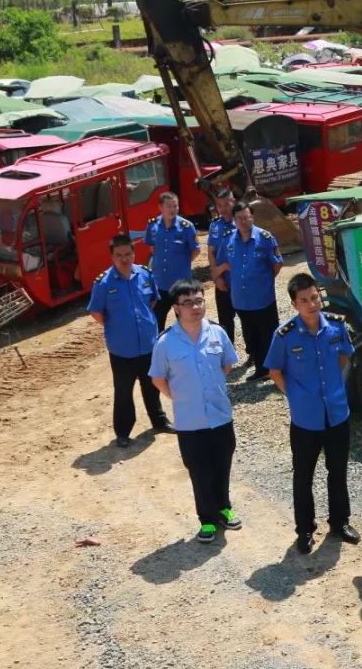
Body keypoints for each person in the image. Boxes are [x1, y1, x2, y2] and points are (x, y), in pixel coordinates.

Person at [265, 273, 359, 554]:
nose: (311, 304)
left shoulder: (337, 327)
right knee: (303, 475)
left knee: (338, 471)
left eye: (315, 297)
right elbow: (274, 371)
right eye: (304, 300)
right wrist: (294, 395)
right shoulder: (284, 335)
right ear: (294, 303)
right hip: (305, 419)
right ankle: (304, 529)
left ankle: (340, 522)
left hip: (337, 414)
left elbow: (343, 357)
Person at [149, 279, 240, 544]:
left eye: (198, 300)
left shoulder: (217, 333)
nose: (195, 307)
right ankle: (207, 519)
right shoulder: (165, 343)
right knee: (199, 471)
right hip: (190, 421)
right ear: (176, 308)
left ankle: (224, 507)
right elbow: (158, 379)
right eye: (187, 303)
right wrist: (181, 397)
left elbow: (226, 365)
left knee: (222, 465)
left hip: (221, 415)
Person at [87, 233, 173, 448]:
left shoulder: (145, 274)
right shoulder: (104, 283)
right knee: (124, 391)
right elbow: (97, 313)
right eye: (119, 255)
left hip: (148, 344)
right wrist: (119, 329)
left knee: (153, 384)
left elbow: (152, 301)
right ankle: (123, 432)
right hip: (121, 349)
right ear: (112, 257)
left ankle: (159, 421)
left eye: (128, 254)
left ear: (134, 253)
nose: (124, 259)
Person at [215, 202, 282, 382]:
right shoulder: (228, 240)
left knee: (269, 334)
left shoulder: (265, 238)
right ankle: (261, 370)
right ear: (234, 220)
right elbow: (221, 262)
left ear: (252, 217)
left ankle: (276, 372)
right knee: (251, 336)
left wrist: (263, 281)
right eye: (240, 219)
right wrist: (219, 278)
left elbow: (277, 264)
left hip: (263, 297)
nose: (244, 222)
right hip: (241, 299)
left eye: (247, 217)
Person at [144, 192, 200, 331]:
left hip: (180, 284)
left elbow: (196, 250)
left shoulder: (186, 227)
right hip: (160, 284)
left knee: (185, 322)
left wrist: (182, 263)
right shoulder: (153, 225)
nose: (173, 209)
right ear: (160, 207)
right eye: (169, 206)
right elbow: (152, 248)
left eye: (175, 206)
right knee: (157, 322)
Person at [207, 188, 238, 345]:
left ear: (233, 202)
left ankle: (252, 353)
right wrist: (217, 276)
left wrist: (226, 267)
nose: (223, 209)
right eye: (220, 205)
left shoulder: (241, 222)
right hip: (222, 282)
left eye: (227, 204)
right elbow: (211, 252)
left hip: (240, 281)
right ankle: (228, 351)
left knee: (247, 318)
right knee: (225, 321)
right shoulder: (214, 225)